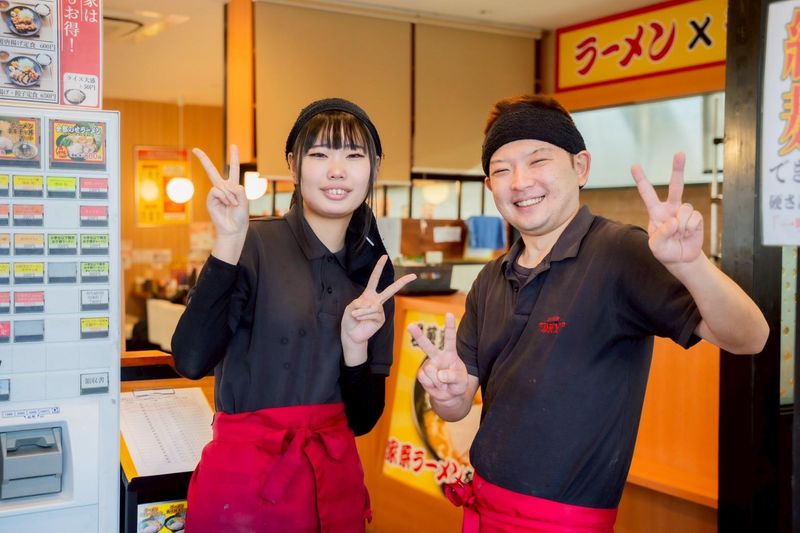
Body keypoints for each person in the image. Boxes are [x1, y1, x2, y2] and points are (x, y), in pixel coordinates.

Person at [410, 95, 769, 533]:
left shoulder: (620, 252)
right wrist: (447, 395)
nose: (520, 181)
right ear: (490, 186)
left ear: (580, 167)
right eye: (502, 169)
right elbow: (458, 403)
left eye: (538, 160)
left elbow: (750, 337)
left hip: (567, 522)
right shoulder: (490, 278)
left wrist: (691, 264)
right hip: (485, 507)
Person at [171, 98, 415, 532]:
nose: (337, 170)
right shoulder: (252, 243)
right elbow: (191, 360)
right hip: (243, 490)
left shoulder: (374, 270)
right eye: (320, 154)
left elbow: (363, 419)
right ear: (293, 165)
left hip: (333, 484)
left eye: (354, 156)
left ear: (374, 166)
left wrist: (354, 348)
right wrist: (227, 241)